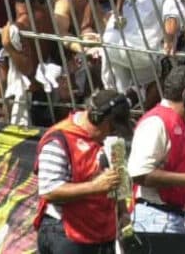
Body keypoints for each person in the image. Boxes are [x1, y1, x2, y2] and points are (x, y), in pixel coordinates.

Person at [34, 90, 133, 254]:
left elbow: (119, 179)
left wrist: (123, 212)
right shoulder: (60, 139)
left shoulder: (114, 140)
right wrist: (95, 186)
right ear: (99, 119)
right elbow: (49, 190)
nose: (114, 133)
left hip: (103, 235)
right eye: (112, 127)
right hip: (67, 235)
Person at [125, 64, 185, 234]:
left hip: (172, 220)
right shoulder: (156, 122)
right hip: (160, 220)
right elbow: (139, 172)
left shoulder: (178, 123)